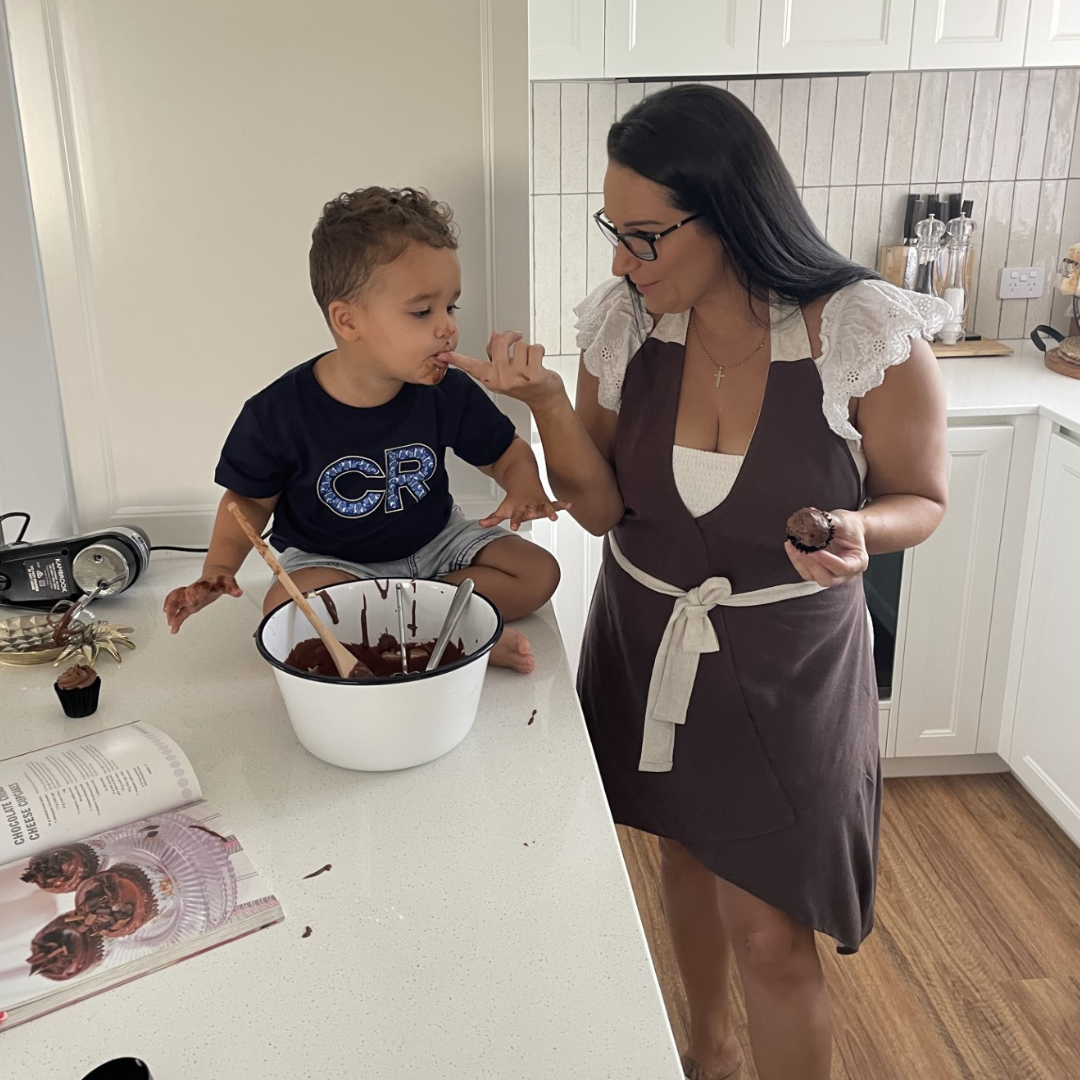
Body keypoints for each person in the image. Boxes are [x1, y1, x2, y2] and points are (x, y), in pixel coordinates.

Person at [445, 85, 949, 1079]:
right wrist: (546, 397)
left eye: (644, 236)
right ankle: (707, 1052)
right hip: (646, 632)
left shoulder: (862, 332)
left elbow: (921, 498)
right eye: (614, 230)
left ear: (729, 216)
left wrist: (860, 529)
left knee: (772, 932)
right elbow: (595, 507)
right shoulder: (623, 328)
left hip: (790, 665)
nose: (621, 261)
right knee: (679, 853)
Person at [164, 187, 563, 673]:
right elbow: (246, 503)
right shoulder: (277, 412)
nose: (448, 329)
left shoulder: (446, 391)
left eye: (450, 308)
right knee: (285, 612)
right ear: (347, 320)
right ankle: (458, 633)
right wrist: (218, 569)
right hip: (334, 564)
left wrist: (523, 485)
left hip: (437, 547)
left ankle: (428, 631)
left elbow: (505, 451)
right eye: (423, 311)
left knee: (539, 573)